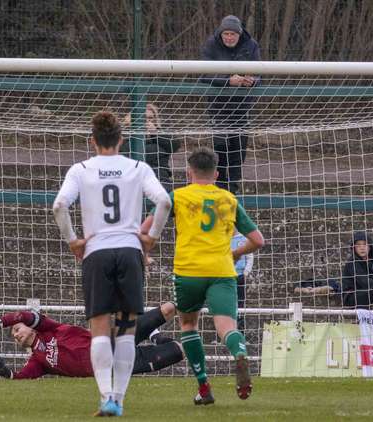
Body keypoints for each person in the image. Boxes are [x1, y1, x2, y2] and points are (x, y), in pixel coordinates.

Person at [52, 111, 171, 416]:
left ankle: (105, 396)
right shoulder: (137, 167)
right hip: (130, 251)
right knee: (127, 329)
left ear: (93, 141)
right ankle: (119, 398)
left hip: (97, 253)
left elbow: (60, 205)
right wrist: (151, 238)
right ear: (121, 139)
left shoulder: (80, 169)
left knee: (100, 329)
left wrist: (73, 241)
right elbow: (165, 201)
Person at [141, 147, 264, 405]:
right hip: (221, 271)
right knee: (227, 327)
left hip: (189, 271)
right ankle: (239, 353)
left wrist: (141, 249)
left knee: (189, 325)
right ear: (216, 174)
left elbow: (146, 228)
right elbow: (257, 240)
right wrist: (237, 253)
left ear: (189, 172)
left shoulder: (178, 196)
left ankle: (204, 387)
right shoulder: (229, 199)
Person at [0, 303, 184, 380]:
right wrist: (5, 372)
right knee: (180, 351)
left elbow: (23, 315)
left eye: (17, 330)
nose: (16, 334)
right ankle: (157, 339)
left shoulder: (49, 328)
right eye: (14, 336)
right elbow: (22, 377)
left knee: (168, 309)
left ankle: (155, 334)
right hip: (115, 367)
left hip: (111, 338)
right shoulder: (38, 361)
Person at [199, 15, 261, 194]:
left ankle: (232, 193)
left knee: (238, 153)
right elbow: (203, 75)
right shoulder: (211, 45)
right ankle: (218, 190)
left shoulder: (251, 45)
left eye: (233, 34)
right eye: (226, 33)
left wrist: (252, 81)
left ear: (240, 34)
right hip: (218, 108)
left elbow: (260, 73)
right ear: (221, 33)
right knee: (219, 149)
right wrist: (227, 81)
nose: (229, 38)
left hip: (242, 108)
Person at [121, 103, 183, 191]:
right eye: (143, 118)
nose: (147, 121)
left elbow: (175, 145)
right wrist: (159, 148)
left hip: (160, 180)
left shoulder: (161, 133)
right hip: (132, 180)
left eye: (150, 118)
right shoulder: (125, 134)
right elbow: (126, 152)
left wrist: (155, 133)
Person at [231, 230, 254, 332]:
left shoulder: (243, 239)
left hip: (240, 276)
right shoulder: (224, 237)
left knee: (240, 303)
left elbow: (250, 256)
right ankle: (227, 330)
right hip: (226, 276)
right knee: (227, 302)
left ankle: (240, 331)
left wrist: (246, 272)